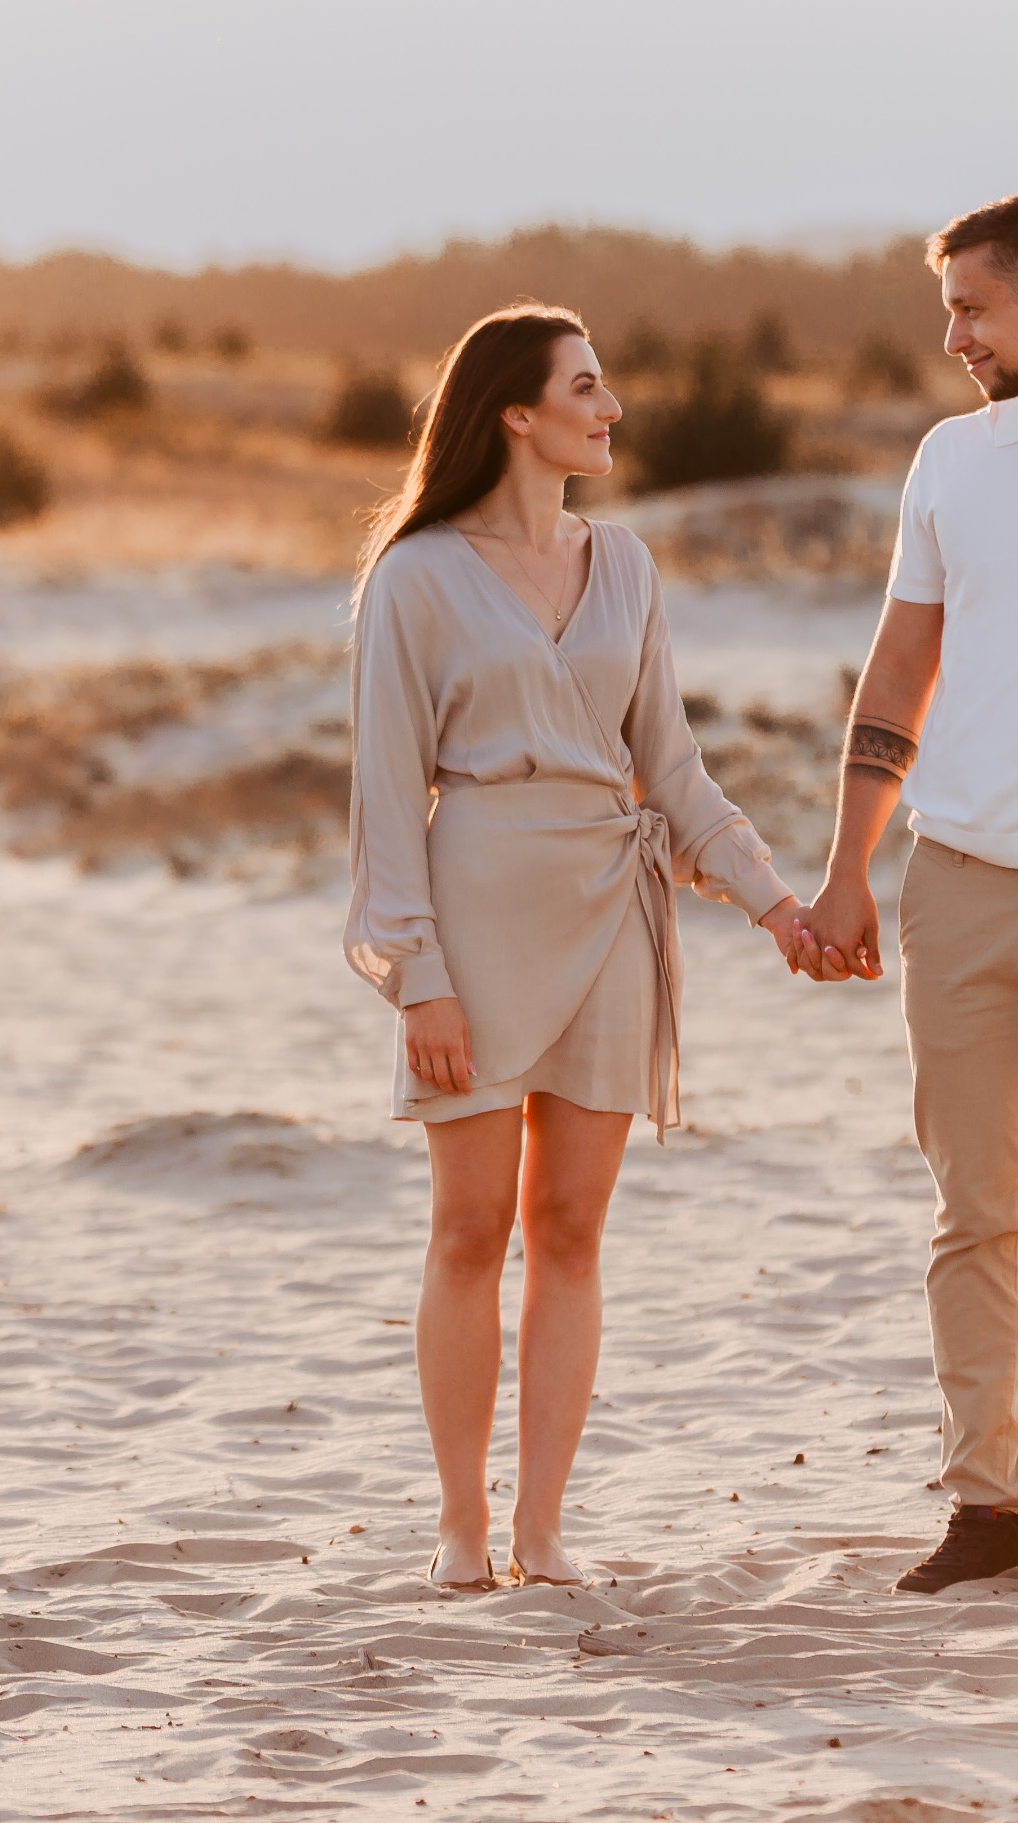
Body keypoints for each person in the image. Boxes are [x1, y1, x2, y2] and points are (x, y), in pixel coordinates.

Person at [346, 303, 804, 1592]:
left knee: (569, 1227)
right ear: (515, 411)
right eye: (587, 387)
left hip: (613, 908)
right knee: (467, 1228)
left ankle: (541, 1529)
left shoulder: (631, 567)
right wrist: (415, 978)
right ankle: (459, 1525)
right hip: (475, 915)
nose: (611, 409)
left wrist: (779, 905)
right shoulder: (416, 577)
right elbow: (386, 798)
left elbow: (674, 768)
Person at [794, 194, 1018, 1594]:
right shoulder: (950, 462)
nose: (953, 338)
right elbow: (897, 677)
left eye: (975, 307)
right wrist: (846, 869)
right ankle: (993, 1502)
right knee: (977, 1203)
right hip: (960, 884)